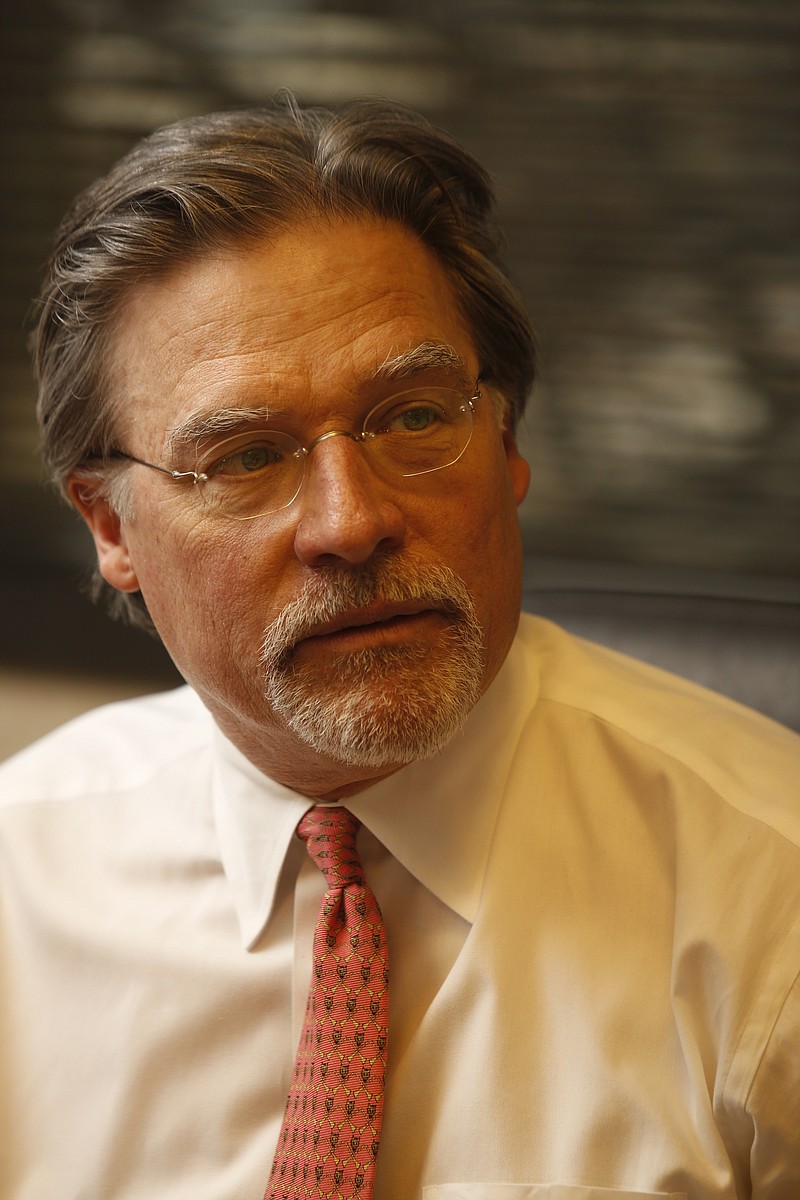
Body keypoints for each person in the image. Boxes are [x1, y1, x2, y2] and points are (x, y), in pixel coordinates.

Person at [0, 95, 798, 1200]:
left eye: (414, 418)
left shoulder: (774, 906)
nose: (348, 522)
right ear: (108, 528)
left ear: (505, 441)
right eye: (244, 457)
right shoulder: (19, 881)